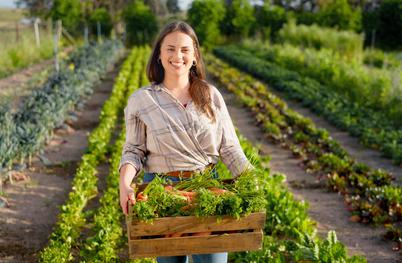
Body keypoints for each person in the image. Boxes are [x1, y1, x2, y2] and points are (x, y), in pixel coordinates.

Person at [119, 21, 252, 263]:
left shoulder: (210, 96)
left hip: (207, 190)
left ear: (194, 56)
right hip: (161, 192)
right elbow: (133, 151)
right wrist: (124, 183)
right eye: (170, 48)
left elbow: (230, 148)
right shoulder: (142, 100)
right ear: (159, 54)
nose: (177, 56)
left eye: (184, 50)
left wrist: (251, 180)